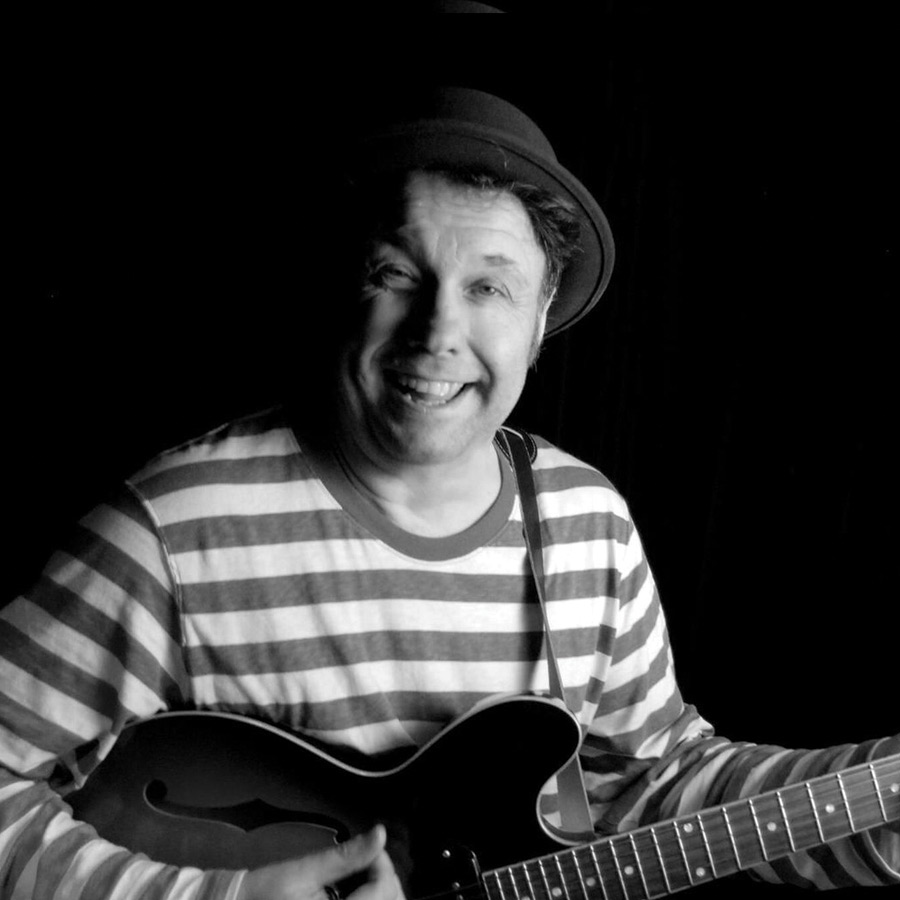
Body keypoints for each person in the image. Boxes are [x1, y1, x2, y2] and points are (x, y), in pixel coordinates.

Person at [1, 87, 897, 900]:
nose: (438, 333)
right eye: (397, 274)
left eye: (489, 287)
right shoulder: (178, 525)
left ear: (540, 317)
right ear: (341, 283)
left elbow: (654, 784)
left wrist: (876, 805)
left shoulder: (586, 525)